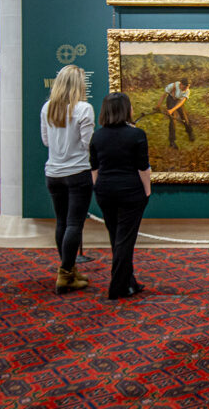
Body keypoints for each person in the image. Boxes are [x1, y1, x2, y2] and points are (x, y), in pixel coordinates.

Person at [89, 92, 152, 300]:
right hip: (130, 192)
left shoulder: (97, 136)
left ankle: (129, 282)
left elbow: (94, 168)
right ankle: (117, 287)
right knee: (124, 240)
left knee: (116, 237)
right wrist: (147, 191)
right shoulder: (136, 134)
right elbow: (143, 168)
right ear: (126, 109)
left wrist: (99, 187)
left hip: (105, 192)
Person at [40, 64, 95, 295]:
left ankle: (69, 269)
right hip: (78, 172)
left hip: (53, 173)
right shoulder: (84, 108)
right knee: (74, 224)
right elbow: (87, 143)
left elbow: (46, 141)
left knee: (62, 222)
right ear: (78, 85)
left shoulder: (47, 108)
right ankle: (65, 274)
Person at [157, 79, 194, 149]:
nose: (186, 88)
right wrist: (158, 105)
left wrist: (172, 110)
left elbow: (181, 103)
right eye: (184, 87)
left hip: (178, 102)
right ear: (180, 84)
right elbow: (163, 96)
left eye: (187, 87)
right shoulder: (172, 86)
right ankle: (172, 142)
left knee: (185, 118)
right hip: (170, 100)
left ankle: (190, 133)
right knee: (172, 120)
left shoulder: (187, 91)